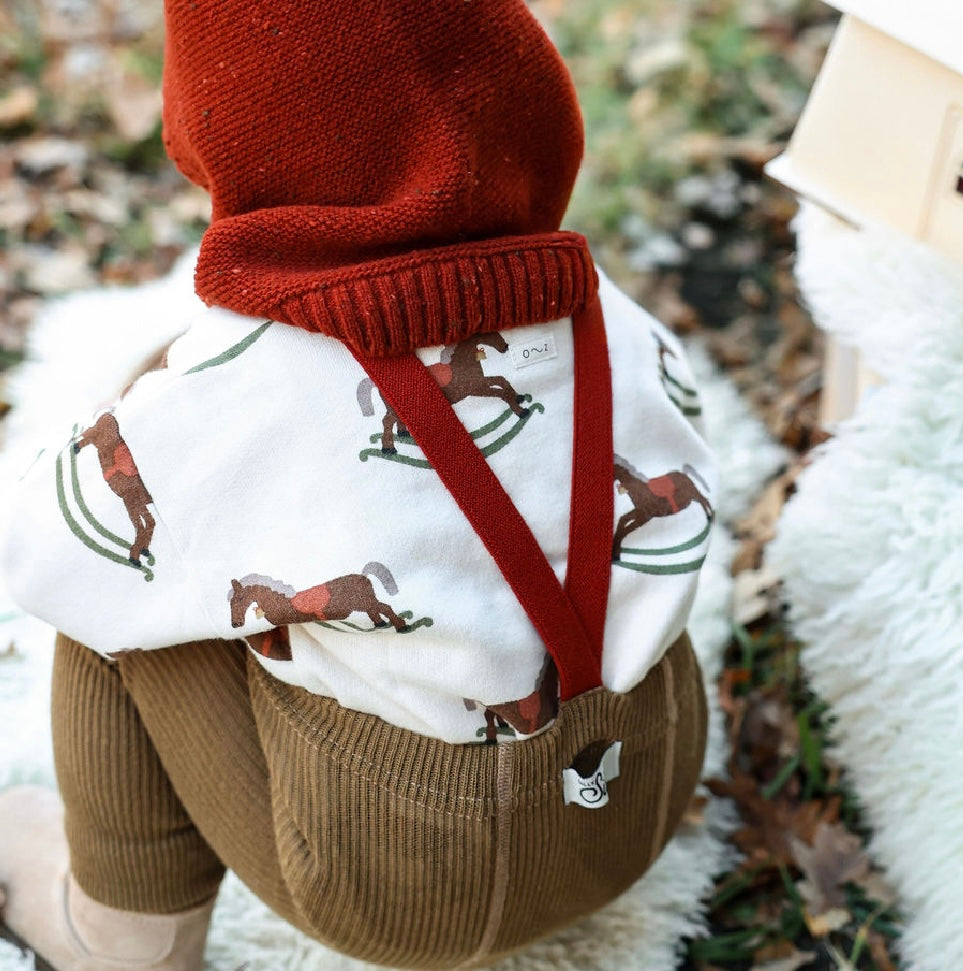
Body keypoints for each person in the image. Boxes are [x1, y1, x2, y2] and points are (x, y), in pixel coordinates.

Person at [0, 1, 716, 968]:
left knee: (113, 585)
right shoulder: (610, 317)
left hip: (399, 889)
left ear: (220, 140)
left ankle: (122, 936)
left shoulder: (256, 389)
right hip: (635, 790)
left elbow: (41, 545)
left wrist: (147, 418)